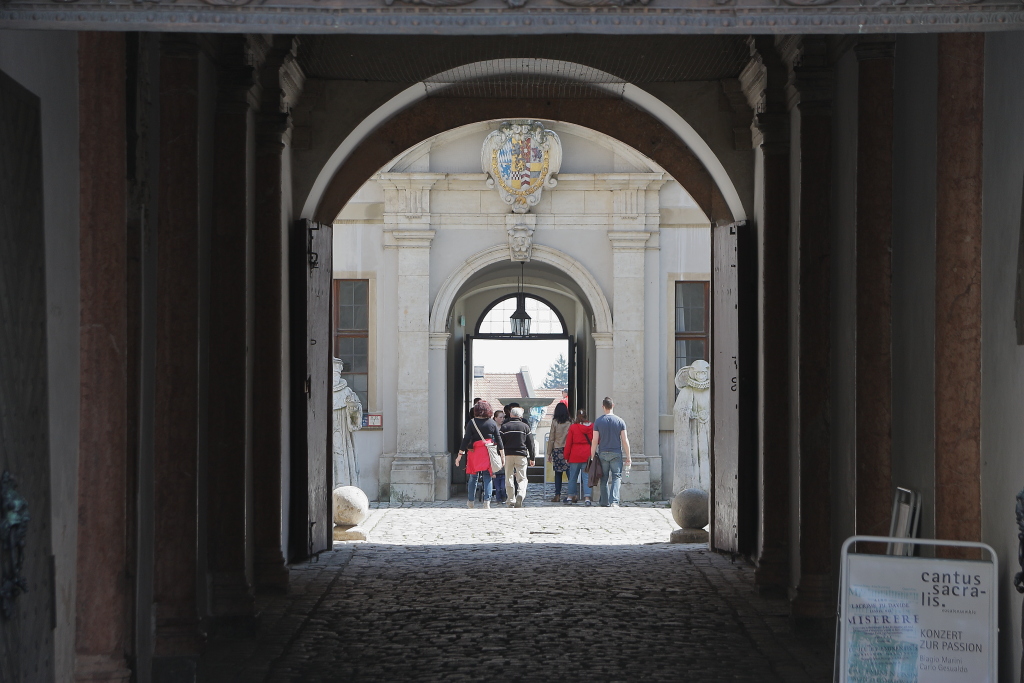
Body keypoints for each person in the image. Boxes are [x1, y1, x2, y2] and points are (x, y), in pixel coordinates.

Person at [455, 400, 504, 509]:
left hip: (475, 452)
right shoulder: (492, 423)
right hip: (487, 452)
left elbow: (466, 439)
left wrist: (460, 455)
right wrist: (502, 456)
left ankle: (471, 501)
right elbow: (498, 439)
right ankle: (487, 501)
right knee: (488, 476)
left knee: (473, 477)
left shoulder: (472, 423)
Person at [590, 396, 631, 508]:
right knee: (616, 477)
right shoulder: (620, 421)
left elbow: (594, 440)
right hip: (616, 453)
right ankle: (614, 501)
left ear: (603, 407)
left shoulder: (598, 421)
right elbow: (624, 440)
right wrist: (628, 456)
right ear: (613, 405)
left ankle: (604, 501)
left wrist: (592, 455)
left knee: (603, 478)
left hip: (603, 452)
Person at [499, 406, 535, 508]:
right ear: (520, 416)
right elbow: (531, 443)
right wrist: (532, 457)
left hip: (508, 455)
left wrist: (500, 455)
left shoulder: (505, 427)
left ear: (510, 414)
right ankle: (521, 493)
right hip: (521, 455)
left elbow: (500, 443)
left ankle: (511, 499)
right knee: (522, 478)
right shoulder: (525, 427)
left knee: (508, 477)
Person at [563, 409, 594, 505]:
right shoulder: (592, 426)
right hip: (587, 454)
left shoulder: (573, 427)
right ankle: (587, 498)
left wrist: (566, 456)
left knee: (572, 477)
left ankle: (569, 497)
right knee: (586, 478)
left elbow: (568, 443)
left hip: (575, 454)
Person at [546, 402, 571, 502]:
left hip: (557, 449)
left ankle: (557, 494)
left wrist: (549, 453)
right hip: (567, 449)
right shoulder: (570, 421)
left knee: (558, 473)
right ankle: (572, 493)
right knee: (569, 472)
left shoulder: (555, 422)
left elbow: (551, 438)